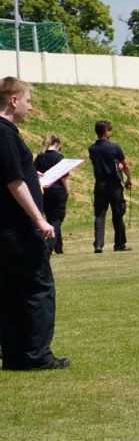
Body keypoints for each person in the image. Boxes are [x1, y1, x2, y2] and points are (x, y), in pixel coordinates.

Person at [0, 77, 65, 370]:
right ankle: (37, 354)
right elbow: (13, 181)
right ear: (13, 100)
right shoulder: (5, 133)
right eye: (27, 101)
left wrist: (33, 177)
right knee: (38, 289)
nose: (30, 107)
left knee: (10, 292)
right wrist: (39, 219)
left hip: (5, 229)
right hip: (19, 229)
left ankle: (15, 354)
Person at [88, 119, 131, 253]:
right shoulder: (114, 147)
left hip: (100, 184)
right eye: (110, 130)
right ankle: (119, 244)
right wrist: (128, 178)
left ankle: (98, 244)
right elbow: (125, 165)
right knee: (117, 214)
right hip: (114, 185)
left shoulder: (92, 149)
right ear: (106, 132)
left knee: (100, 215)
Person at [33, 134, 69, 255]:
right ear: (57, 144)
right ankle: (49, 246)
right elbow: (64, 177)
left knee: (50, 218)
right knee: (58, 219)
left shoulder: (39, 157)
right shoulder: (59, 157)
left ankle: (59, 247)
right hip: (58, 190)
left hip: (44, 191)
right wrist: (67, 190)